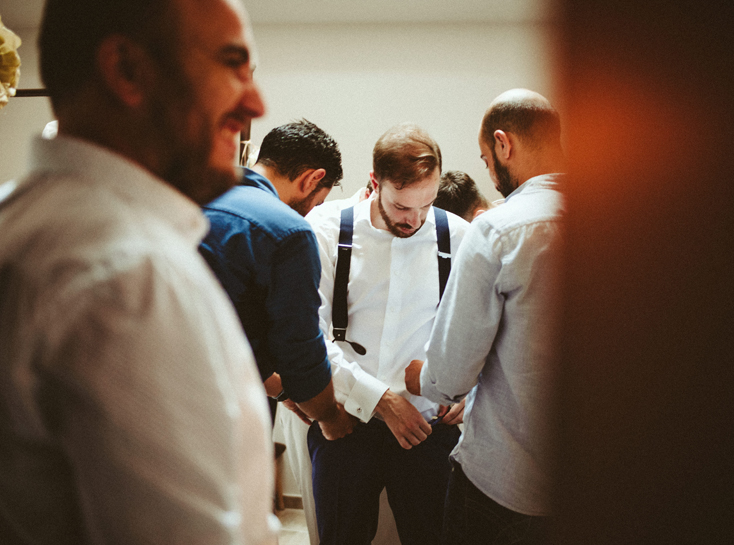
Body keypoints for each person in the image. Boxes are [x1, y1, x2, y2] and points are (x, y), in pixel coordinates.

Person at [0, 0, 278, 543]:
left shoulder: (19, 218)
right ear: (127, 71)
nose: (256, 102)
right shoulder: (130, 278)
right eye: (231, 64)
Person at [405, 89, 566, 544]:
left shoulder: (498, 230)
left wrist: (423, 379)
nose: (490, 175)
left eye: (485, 159)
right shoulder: (624, 218)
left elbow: (451, 375)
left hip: (506, 482)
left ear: (503, 144)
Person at [307, 123, 470, 545]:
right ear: (375, 182)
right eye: (401, 206)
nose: (414, 219)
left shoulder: (460, 236)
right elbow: (311, 335)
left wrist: (469, 389)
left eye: (427, 204)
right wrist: (379, 399)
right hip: (345, 423)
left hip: (428, 427)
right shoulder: (326, 228)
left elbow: (481, 333)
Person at [200, 119, 353, 436]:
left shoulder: (200, 195)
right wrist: (329, 417)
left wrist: (281, 391)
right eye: (317, 203)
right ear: (313, 179)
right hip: (218, 405)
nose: (311, 212)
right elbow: (300, 350)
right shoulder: (288, 232)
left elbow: (227, 321)